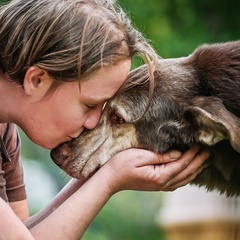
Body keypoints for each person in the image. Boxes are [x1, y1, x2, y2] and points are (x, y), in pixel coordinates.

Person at [0, 0, 209, 239]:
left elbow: (22, 233)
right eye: (90, 105)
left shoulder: (4, 131)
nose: (93, 122)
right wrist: (109, 180)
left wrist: (103, 172)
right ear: (37, 79)